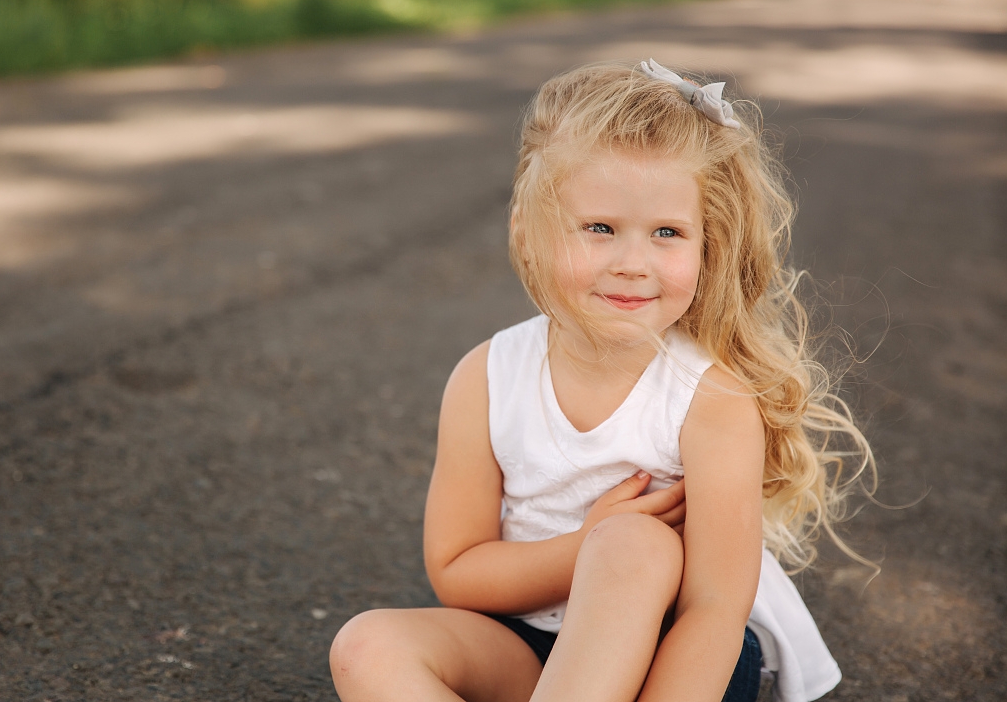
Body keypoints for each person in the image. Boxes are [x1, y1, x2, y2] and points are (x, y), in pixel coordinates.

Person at [329, 60, 875, 702]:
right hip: (526, 646)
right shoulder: (486, 377)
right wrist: (579, 546)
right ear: (527, 235)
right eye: (600, 229)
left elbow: (714, 611)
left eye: (667, 233)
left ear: (708, 248)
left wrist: (608, 546)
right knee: (367, 645)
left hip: (674, 661)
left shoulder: (710, 399)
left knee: (633, 543)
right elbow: (457, 572)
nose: (633, 263)